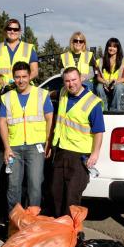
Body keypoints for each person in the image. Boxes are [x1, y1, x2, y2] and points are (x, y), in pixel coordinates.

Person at [0, 62, 53, 213]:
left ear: (30, 76)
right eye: (17, 77)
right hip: (14, 147)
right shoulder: (7, 97)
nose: (21, 80)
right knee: (13, 185)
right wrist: (7, 147)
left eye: (24, 76)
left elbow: (50, 119)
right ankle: (13, 221)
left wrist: (48, 142)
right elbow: (2, 122)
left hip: (36, 147)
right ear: (13, 78)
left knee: (35, 185)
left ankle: (32, 220)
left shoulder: (42, 94)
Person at [50, 67, 105, 217]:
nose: (71, 84)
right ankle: (59, 229)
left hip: (79, 156)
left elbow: (99, 131)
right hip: (61, 150)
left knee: (72, 198)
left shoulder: (92, 102)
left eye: (74, 80)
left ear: (81, 79)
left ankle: (72, 234)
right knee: (56, 193)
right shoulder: (63, 93)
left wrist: (95, 153)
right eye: (67, 81)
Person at [0, 19, 39, 153]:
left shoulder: (29, 48)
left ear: (20, 32)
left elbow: (34, 71)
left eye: (15, 29)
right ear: (5, 31)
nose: (12, 31)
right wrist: (2, 83)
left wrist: (21, 82)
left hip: (23, 84)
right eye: (9, 29)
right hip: (1, 84)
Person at [95, 38, 124, 111]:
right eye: (110, 46)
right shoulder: (100, 61)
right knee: (99, 87)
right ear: (107, 47)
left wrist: (115, 83)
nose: (111, 48)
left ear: (118, 48)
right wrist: (106, 83)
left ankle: (114, 110)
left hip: (119, 85)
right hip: (105, 84)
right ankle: (103, 109)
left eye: (114, 47)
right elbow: (98, 78)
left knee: (118, 87)